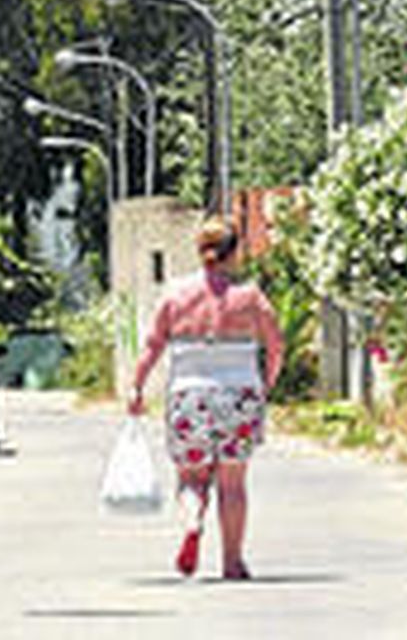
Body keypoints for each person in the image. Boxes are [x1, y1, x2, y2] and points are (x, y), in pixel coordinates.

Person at [128, 217, 284, 580]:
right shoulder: (250, 297)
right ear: (235, 254)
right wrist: (266, 383)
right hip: (240, 395)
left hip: (189, 395)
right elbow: (276, 344)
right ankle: (232, 561)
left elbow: (152, 344)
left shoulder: (176, 294)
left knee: (191, 479)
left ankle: (193, 520)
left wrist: (137, 386)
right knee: (233, 484)